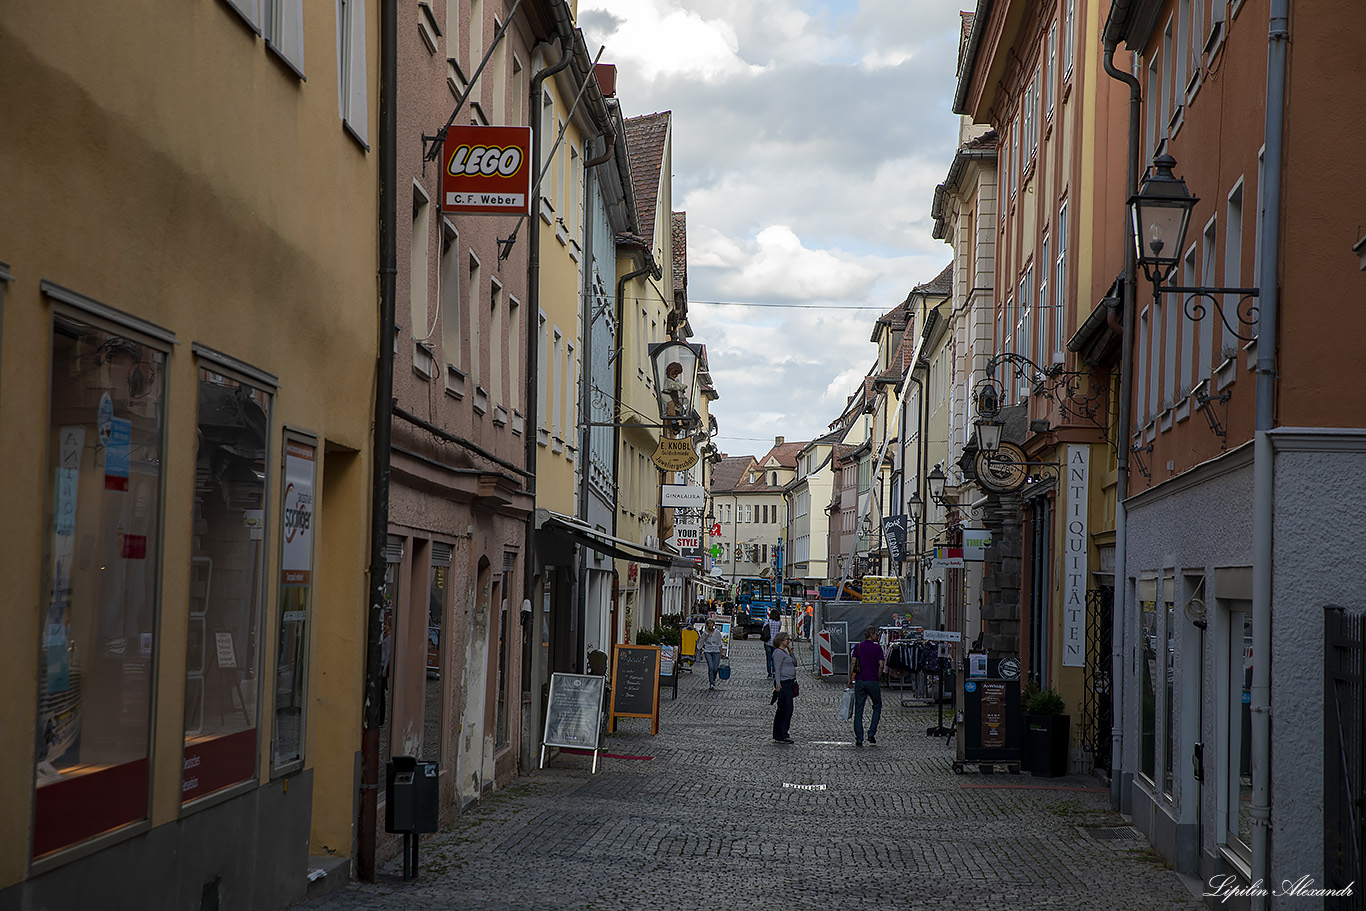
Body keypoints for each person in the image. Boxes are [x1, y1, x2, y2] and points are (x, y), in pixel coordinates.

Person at [849, 625, 885, 746]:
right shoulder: (877, 648)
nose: (877, 636)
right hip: (873, 680)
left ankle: (859, 737)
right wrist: (878, 677)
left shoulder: (858, 647)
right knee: (877, 706)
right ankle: (871, 733)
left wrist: (850, 679)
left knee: (859, 709)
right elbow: (881, 664)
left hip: (860, 681)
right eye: (875, 634)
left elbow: (853, 662)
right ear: (871, 634)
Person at [771, 631, 797, 743]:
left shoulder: (785, 653)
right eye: (787, 639)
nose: (789, 641)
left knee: (785, 708)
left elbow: (795, 663)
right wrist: (778, 684)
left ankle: (780, 734)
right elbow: (777, 669)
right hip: (783, 683)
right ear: (781, 641)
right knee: (786, 709)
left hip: (790, 683)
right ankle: (782, 734)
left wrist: (791, 653)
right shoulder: (778, 653)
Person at [700, 619, 724, 689]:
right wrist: (697, 652)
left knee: (715, 668)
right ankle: (711, 683)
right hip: (708, 651)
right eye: (709, 624)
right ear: (707, 625)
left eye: (711, 623)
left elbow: (720, 643)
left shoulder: (717, 632)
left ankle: (713, 679)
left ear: (713, 624)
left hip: (716, 651)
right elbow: (701, 642)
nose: (710, 625)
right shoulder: (705, 633)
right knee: (711, 667)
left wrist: (722, 653)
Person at [762, 608, 782, 677]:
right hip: (775, 642)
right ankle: (774, 671)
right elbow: (779, 629)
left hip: (768, 641)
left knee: (768, 658)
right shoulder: (779, 622)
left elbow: (763, 629)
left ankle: (769, 673)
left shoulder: (767, 621)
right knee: (774, 658)